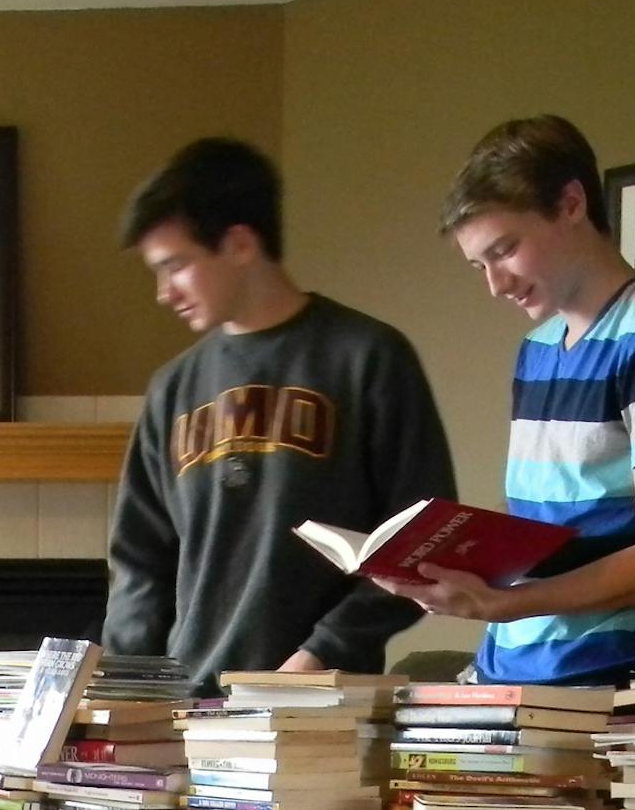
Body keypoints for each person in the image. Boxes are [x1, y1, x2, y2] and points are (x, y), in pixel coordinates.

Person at [104, 137, 457, 695]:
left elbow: (420, 544)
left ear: (240, 243)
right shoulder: (171, 389)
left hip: (321, 705)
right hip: (190, 711)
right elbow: (140, 565)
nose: (162, 293)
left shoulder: (367, 357)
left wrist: (318, 657)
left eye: (176, 266)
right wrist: (131, 695)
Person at [415, 114, 635, 685]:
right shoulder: (536, 348)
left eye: (505, 250)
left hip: (602, 682)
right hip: (504, 674)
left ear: (572, 204)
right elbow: (552, 531)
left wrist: (505, 605)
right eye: (479, 265)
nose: (495, 284)